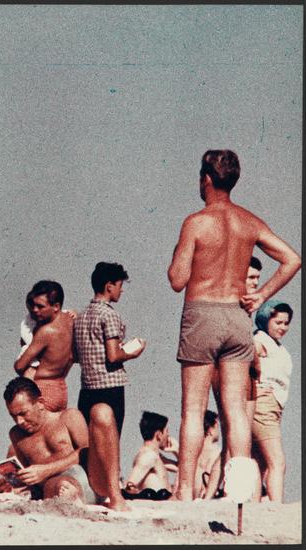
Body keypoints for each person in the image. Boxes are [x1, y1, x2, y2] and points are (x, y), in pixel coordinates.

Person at [168, 149, 301, 501]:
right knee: (236, 408)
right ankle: (241, 492)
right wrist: (262, 295)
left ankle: (184, 490)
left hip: (202, 312)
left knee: (193, 409)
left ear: (206, 179)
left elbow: (177, 279)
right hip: (237, 315)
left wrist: (181, 250)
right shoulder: (248, 221)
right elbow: (292, 259)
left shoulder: (196, 222)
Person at [73, 262, 146, 511]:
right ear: (109, 286)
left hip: (87, 387)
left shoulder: (81, 317)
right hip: (110, 385)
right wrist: (133, 352)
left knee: (92, 446)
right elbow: (113, 355)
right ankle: (114, 495)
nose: (121, 291)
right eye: (119, 286)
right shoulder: (109, 315)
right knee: (111, 445)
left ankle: (98, 492)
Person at [208, 256, 263, 497]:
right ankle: (226, 492)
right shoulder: (232, 304)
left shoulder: (245, 304)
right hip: (231, 372)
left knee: (237, 437)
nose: (255, 283)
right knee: (236, 436)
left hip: (244, 372)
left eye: (257, 278)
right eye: (251, 277)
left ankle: (224, 491)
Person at [2, 377, 93, 502]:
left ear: (40, 403)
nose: (19, 421)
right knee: (51, 485)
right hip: (47, 488)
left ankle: (71, 496)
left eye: (23, 413)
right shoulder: (16, 434)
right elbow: (24, 471)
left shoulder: (68, 417)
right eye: (13, 416)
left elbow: (88, 452)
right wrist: (12, 482)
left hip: (79, 479)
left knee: (61, 484)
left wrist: (46, 470)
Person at [251, 300, 294, 502]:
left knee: (259, 461)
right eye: (278, 322)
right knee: (277, 461)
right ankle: (276, 507)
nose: (283, 327)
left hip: (273, 406)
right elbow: (245, 355)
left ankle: (255, 504)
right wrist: (254, 385)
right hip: (264, 404)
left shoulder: (274, 344)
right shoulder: (260, 340)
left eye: (286, 323)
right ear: (266, 320)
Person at [13, 280, 75, 412]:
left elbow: (19, 366)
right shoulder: (71, 321)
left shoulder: (46, 331)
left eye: (40, 306)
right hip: (61, 389)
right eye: (33, 305)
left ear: (56, 306)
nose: (35, 310)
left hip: (42, 389)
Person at [123, 412, 178, 501]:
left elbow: (182, 470)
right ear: (159, 435)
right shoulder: (148, 456)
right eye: (167, 431)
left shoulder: (156, 457)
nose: (168, 435)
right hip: (155, 505)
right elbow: (129, 485)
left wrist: (176, 451)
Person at [194, 410, 222, 499]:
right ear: (211, 429)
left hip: (193, 496)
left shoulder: (193, 453)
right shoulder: (216, 451)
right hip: (209, 495)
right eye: (217, 427)